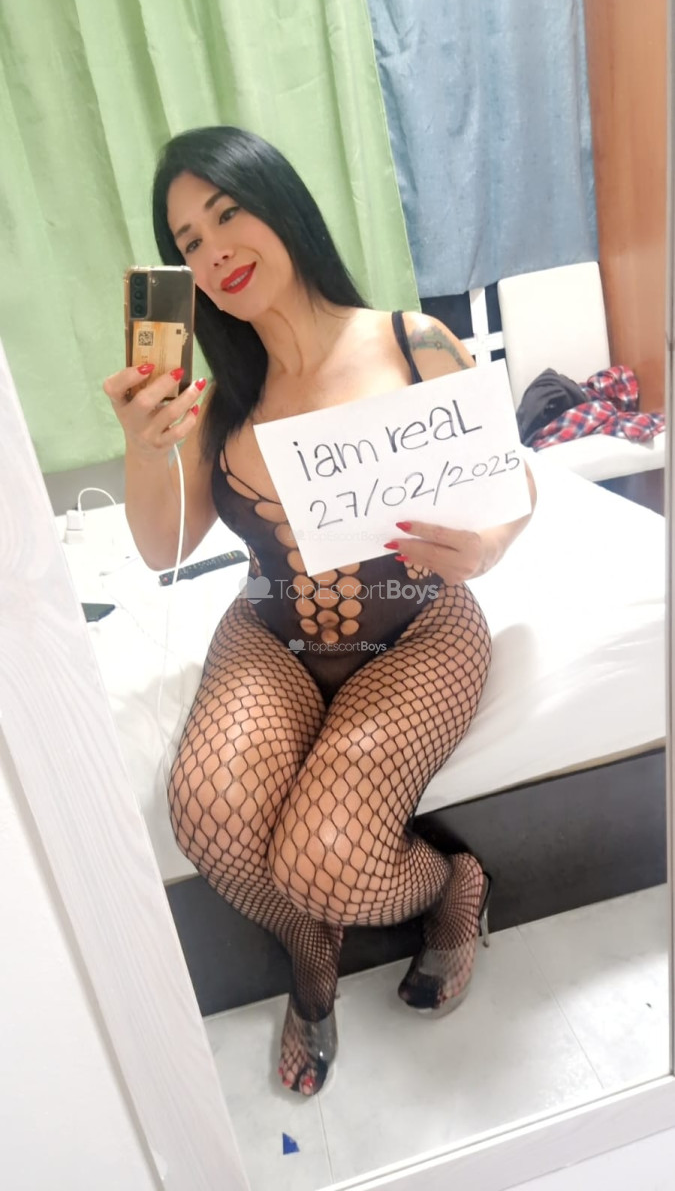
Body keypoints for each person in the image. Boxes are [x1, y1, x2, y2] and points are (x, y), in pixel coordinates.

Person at [103, 125, 536, 1097]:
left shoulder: (409, 343)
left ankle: (454, 884)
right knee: (210, 817)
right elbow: (165, 549)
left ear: (281, 205)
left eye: (227, 213)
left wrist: (487, 545)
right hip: (272, 634)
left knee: (328, 857)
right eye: (186, 242)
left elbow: (511, 485)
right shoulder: (221, 399)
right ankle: (312, 955)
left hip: (416, 630)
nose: (213, 250)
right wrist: (143, 445)